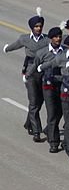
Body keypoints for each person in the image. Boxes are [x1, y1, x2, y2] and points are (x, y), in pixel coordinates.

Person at [3, 11, 48, 141]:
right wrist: (6, 48)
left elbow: (61, 46)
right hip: (30, 73)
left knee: (40, 101)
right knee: (33, 102)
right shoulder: (25, 38)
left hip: (43, 72)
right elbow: (14, 46)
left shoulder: (46, 40)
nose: (38, 29)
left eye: (40, 26)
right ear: (32, 27)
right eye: (36, 26)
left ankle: (29, 122)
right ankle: (36, 132)